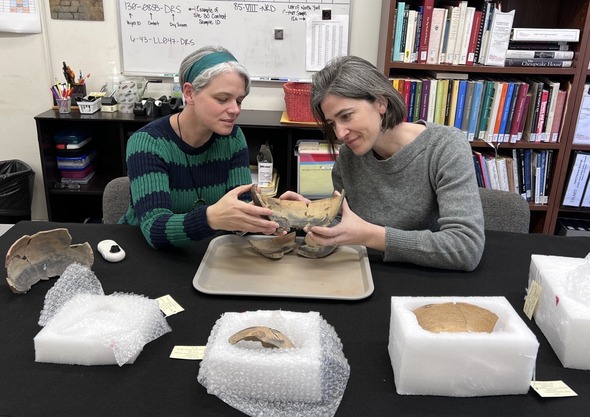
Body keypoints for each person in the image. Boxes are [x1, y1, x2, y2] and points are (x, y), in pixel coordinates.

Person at [289, 55, 485, 271]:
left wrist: (369, 235)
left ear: (381, 103)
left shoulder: (445, 147)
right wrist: (309, 215)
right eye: (332, 123)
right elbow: (343, 224)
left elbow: (465, 248)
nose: (340, 133)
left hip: (431, 281)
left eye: (346, 116)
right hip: (366, 277)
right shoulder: (348, 157)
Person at [121, 46, 281, 249]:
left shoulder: (233, 138)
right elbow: (155, 229)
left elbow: (243, 209)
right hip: (142, 253)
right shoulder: (148, 143)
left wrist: (273, 212)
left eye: (239, 100)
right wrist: (210, 218)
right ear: (189, 93)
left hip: (206, 250)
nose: (235, 110)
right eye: (222, 99)